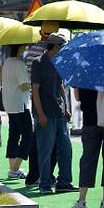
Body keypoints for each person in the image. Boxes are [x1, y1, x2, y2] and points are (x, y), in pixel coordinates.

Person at [32, 33, 76, 195]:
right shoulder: (38, 63)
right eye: (62, 46)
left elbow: (60, 86)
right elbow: (35, 91)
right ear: (56, 47)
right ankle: (44, 183)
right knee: (45, 149)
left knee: (66, 148)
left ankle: (64, 182)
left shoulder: (59, 62)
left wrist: (66, 107)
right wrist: (40, 114)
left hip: (59, 113)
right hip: (45, 113)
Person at [70, 88, 104, 208]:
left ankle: (81, 200)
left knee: (87, 159)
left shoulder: (83, 72)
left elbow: (77, 97)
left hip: (90, 121)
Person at [24, 22, 61, 187]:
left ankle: (35, 175)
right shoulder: (44, 54)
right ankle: (42, 175)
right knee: (45, 142)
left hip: (38, 99)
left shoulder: (32, 49)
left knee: (39, 140)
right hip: (44, 101)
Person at [2, 44, 33, 179]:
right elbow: (23, 85)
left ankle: (13, 167)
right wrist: (33, 83)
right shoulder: (19, 64)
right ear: (20, 48)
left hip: (9, 103)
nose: (25, 49)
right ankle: (14, 169)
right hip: (20, 104)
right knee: (27, 134)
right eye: (24, 47)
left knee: (14, 134)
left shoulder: (7, 62)